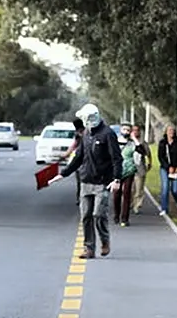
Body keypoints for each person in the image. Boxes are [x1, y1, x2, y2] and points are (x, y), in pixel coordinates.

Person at [48, 103, 122, 258]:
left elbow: (116, 158)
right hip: (85, 182)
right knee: (86, 216)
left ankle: (105, 240)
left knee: (98, 214)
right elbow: (78, 157)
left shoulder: (107, 134)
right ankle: (89, 248)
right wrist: (63, 174)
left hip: (102, 182)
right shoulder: (86, 134)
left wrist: (117, 179)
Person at [115, 124, 146, 226]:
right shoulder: (114, 141)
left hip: (129, 170)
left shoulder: (132, 144)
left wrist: (134, 139)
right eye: (124, 129)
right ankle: (116, 215)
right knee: (117, 194)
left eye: (128, 130)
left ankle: (124, 218)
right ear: (120, 130)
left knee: (127, 193)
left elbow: (142, 151)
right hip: (117, 171)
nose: (126, 131)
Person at [157, 123, 177, 217]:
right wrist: (167, 167)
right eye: (169, 130)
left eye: (173, 130)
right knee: (165, 188)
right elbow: (160, 157)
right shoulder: (163, 143)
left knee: (175, 190)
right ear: (166, 132)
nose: (171, 132)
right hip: (165, 169)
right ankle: (164, 209)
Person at [62, 117, 86, 205]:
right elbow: (73, 146)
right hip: (79, 161)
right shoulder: (78, 136)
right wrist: (65, 155)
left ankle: (82, 198)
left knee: (82, 181)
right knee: (79, 182)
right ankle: (80, 198)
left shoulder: (87, 134)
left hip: (86, 160)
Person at [130, 125, 152, 214]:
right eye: (133, 130)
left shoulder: (143, 142)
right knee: (130, 189)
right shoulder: (128, 142)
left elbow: (148, 153)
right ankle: (130, 203)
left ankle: (137, 206)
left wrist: (150, 163)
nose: (135, 132)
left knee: (139, 188)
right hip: (129, 168)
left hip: (140, 168)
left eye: (137, 130)